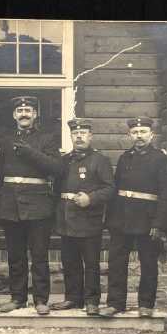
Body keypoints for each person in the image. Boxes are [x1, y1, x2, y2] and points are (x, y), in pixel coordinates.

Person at [100, 117, 167, 318]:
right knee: (116, 262)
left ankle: (146, 305)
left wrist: (159, 223)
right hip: (122, 218)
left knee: (148, 263)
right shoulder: (125, 158)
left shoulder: (161, 159)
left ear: (151, 134)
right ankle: (115, 303)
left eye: (143, 132)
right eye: (135, 132)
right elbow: (116, 190)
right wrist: (111, 219)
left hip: (148, 220)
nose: (139, 136)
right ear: (129, 135)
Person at [0, 96, 62, 315]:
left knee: (39, 255)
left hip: (38, 204)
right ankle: (17, 298)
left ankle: (41, 300)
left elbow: (56, 168)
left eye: (28, 110)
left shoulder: (48, 138)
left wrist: (29, 152)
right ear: (14, 115)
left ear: (35, 114)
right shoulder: (5, 140)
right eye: (20, 110)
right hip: (10, 205)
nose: (24, 114)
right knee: (15, 256)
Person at [51, 118, 114, 315]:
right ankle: (72, 298)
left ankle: (92, 301)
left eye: (83, 133)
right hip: (66, 218)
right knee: (70, 261)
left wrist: (91, 198)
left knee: (91, 263)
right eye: (75, 134)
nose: (79, 136)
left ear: (90, 136)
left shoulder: (100, 160)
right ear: (71, 136)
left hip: (89, 219)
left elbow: (110, 189)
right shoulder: (64, 160)